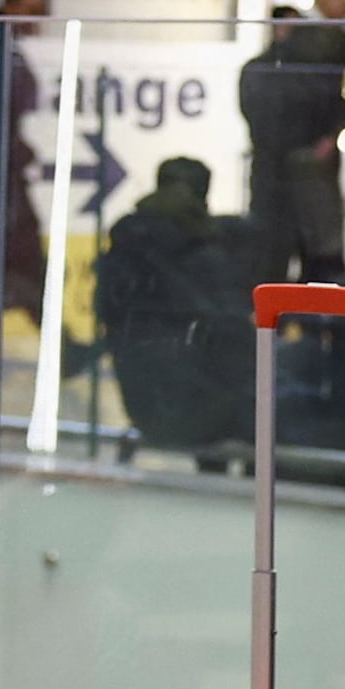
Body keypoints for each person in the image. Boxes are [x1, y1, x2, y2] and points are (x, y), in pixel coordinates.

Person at [96, 154, 257, 460]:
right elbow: (236, 342)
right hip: (207, 416)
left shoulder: (126, 249)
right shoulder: (207, 255)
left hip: (144, 411)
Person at [236, 0, 345, 283]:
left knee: (285, 257)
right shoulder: (323, 46)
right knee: (309, 256)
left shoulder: (311, 51)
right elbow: (314, 101)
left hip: (287, 170)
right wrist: (331, 129)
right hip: (300, 169)